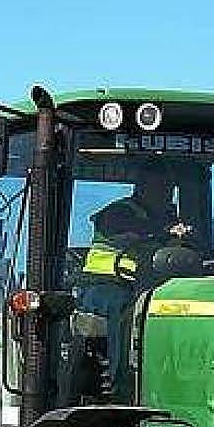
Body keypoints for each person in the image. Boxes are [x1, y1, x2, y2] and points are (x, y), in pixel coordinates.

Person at [78, 164, 178, 396]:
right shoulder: (119, 213)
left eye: (168, 188)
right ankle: (118, 384)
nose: (165, 192)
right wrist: (167, 231)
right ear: (142, 187)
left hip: (147, 287)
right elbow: (131, 230)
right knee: (124, 311)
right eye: (159, 187)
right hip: (106, 284)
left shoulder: (168, 217)